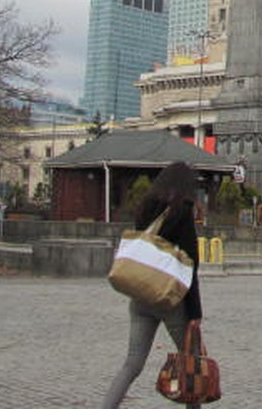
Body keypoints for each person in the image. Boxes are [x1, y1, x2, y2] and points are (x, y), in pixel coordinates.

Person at [103, 161, 202, 409]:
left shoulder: (145, 208)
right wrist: (195, 314)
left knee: (132, 364)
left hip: (141, 295)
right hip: (169, 300)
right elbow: (190, 265)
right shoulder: (182, 212)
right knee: (192, 362)